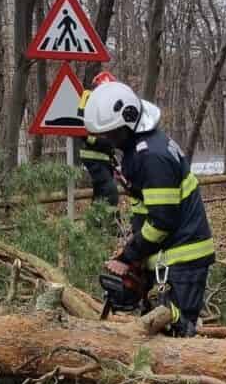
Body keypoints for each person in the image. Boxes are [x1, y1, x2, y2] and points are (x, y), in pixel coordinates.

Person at [83, 80, 215, 337]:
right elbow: (144, 209)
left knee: (176, 327)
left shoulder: (151, 157)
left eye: (112, 133)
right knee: (157, 324)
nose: (109, 140)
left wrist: (128, 256)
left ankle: (185, 373)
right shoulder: (140, 150)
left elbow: (162, 220)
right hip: (171, 254)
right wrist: (135, 252)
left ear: (128, 121)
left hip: (183, 256)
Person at [78, 71, 120, 206]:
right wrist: (100, 142)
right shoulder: (89, 98)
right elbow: (81, 129)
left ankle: (96, 225)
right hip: (93, 154)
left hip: (104, 156)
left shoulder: (108, 103)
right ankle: (109, 224)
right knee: (110, 192)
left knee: (100, 194)